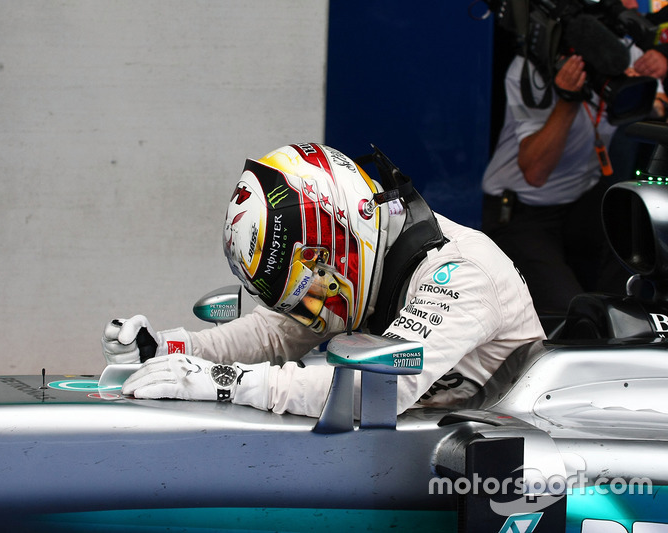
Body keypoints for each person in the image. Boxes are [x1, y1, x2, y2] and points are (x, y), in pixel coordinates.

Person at [102, 143, 545, 418]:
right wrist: (169, 350)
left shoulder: (462, 273)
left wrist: (221, 380)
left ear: (338, 240)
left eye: (306, 292)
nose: (308, 310)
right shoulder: (364, 266)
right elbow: (273, 334)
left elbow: (373, 392)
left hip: (501, 469)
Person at [481, 52, 636, 318]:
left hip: (582, 200)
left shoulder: (625, 52)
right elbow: (535, 173)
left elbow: (658, 102)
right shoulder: (533, 68)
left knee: (634, 240)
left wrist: (640, 94)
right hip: (521, 208)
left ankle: (618, 330)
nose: (633, 6)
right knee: (572, 314)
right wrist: (568, 99)